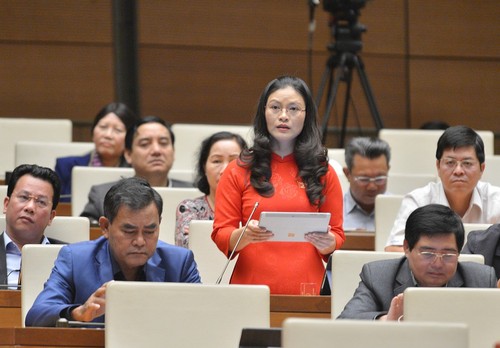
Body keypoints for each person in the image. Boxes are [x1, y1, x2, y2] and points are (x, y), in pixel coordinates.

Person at [211, 76, 345, 295]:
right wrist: (244, 235)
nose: (283, 116)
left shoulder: (324, 172)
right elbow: (221, 233)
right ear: (264, 112)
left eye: (293, 109)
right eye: (275, 107)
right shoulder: (238, 170)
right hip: (250, 287)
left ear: (306, 115)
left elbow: (338, 236)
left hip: (308, 288)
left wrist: (328, 242)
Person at [26, 177, 201, 327]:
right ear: (105, 227)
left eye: (149, 231)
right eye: (129, 231)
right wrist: (78, 313)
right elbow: (36, 315)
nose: (140, 241)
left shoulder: (180, 262)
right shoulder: (75, 259)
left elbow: (204, 316)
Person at [338, 204, 497, 320]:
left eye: (448, 254)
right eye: (428, 253)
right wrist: (387, 320)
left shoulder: (481, 279)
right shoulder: (378, 277)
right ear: (407, 248)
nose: (437, 263)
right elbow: (345, 322)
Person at [385, 125, 500, 251]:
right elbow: (394, 248)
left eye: (467, 163)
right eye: (450, 162)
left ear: (481, 169)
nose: (458, 171)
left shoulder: (496, 201)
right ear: (438, 166)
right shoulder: (419, 201)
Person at [80, 116, 192, 225]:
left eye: (163, 143)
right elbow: (88, 236)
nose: (156, 150)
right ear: (128, 154)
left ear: (174, 151)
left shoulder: (195, 194)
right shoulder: (102, 195)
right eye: (145, 144)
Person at [175, 131, 247, 248]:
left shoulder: (253, 207)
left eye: (234, 161)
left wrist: (202, 236)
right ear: (204, 167)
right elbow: (185, 253)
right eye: (217, 161)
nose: (225, 170)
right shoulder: (189, 209)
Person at [55, 102, 138, 202]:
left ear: (129, 139)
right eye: (103, 127)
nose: (108, 135)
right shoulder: (66, 167)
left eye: (117, 130)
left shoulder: (137, 171)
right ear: (93, 132)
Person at [0, 164, 64, 289]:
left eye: (41, 202)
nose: (30, 207)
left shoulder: (69, 257)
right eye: (24, 197)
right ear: (6, 205)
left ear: (51, 216)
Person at [342, 137, 391, 231]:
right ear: (347, 174)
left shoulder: (403, 210)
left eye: (379, 178)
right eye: (364, 179)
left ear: (388, 170)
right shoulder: (331, 211)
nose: (372, 187)